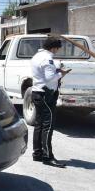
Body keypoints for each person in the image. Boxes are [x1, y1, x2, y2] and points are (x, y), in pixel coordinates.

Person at [31, 37, 71, 168]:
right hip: (46, 94)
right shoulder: (48, 58)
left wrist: (56, 71)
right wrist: (61, 74)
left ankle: (37, 154)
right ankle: (48, 157)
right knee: (48, 126)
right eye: (58, 48)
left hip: (37, 92)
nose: (57, 51)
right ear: (53, 47)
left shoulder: (37, 56)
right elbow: (49, 78)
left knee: (39, 124)